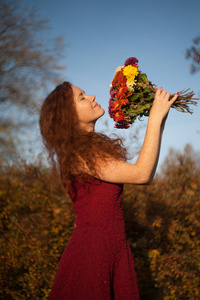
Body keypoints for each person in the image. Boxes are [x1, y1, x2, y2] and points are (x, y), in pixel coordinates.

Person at [39, 82, 178, 300]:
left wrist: (160, 117)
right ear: (68, 117)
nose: (92, 96)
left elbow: (146, 174)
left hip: (111, 246)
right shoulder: (80, 155)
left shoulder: (87, 149)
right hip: (93, 251)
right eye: (82, 97)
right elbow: (141, 174)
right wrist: (154, 117)